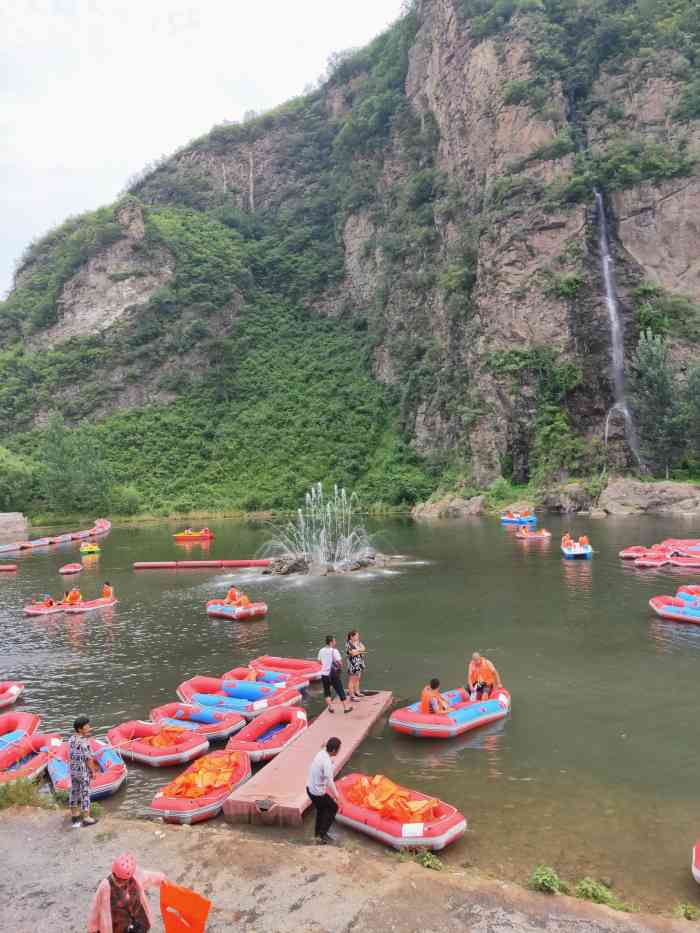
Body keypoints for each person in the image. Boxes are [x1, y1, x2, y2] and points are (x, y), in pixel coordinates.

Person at [87, 852, 166, 933]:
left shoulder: (135, 876)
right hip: (118, 927)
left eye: (124, 880)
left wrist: (162, 879)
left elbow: (148, 876)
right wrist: (93, 928)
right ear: (113, 872)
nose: (120, 882)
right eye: (117, 878)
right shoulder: (105, 887)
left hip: (139, 921)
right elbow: (95, 909)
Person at [306, 737, 342, 845]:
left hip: (309, 788)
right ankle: (322, 835)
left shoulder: (321, 753)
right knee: (333, 807)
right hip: (317, 793)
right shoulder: (326, 763)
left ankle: (318, 835)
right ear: (334, 751)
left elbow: (323, 747)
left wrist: (324, 745)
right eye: (338, 749)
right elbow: (329, 782)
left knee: (321, 811)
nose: (339, 751)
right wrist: (337, 796)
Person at [69, 715, 99, 828]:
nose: (89, 727)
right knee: (85, 793)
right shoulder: (85, 742)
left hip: (73, 770)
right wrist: (93, 772)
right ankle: (86, 817)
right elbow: (88, 759)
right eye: (87, 726)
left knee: (74, 791)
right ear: (80, 729)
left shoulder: (71, 739)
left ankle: (74, 814)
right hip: (82, 771)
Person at [318, 636, 352, 714]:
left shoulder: (321, 650)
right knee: (340, 690)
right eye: (334, 641)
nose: (335, 642)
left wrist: (325, 664)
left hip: (324, 674)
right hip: (333, 674)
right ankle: (346, 708)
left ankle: (331, 707)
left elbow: (319, 662)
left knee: (327, 691)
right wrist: (340, 666)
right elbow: (339, 662)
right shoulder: (334, 651)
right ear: (331, 642)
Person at [346, 630, 366, 701]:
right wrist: (360, 651)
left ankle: (357, 692)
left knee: (358, 678)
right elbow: (353, 654)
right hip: (353, 663)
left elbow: (364, 648)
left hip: (359, 662)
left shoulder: (358, 642)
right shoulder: (349, 644)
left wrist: (358, 651)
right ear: (352, 636)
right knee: (352, 679)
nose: (358, 637)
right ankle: (352, 695)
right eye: (356, 635)